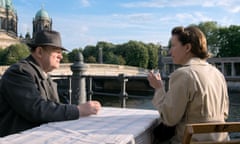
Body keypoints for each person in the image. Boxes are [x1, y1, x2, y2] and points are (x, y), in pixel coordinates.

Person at [0, 30, 101, 137]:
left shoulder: (42, 73)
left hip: (36, 135)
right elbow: (37, 109)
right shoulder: (19, 72)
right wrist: (78, 110)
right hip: (16, 138)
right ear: (39, 52)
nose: (61, 57)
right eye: (57, 52)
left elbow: (51, 107)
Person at [148, 26, 229, 144]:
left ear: (187, 47)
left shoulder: (183, 74)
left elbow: (169, 119)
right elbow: (225, 113)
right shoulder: (217, 74)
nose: (170, 51)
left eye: (173, 45)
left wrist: (159, 88)